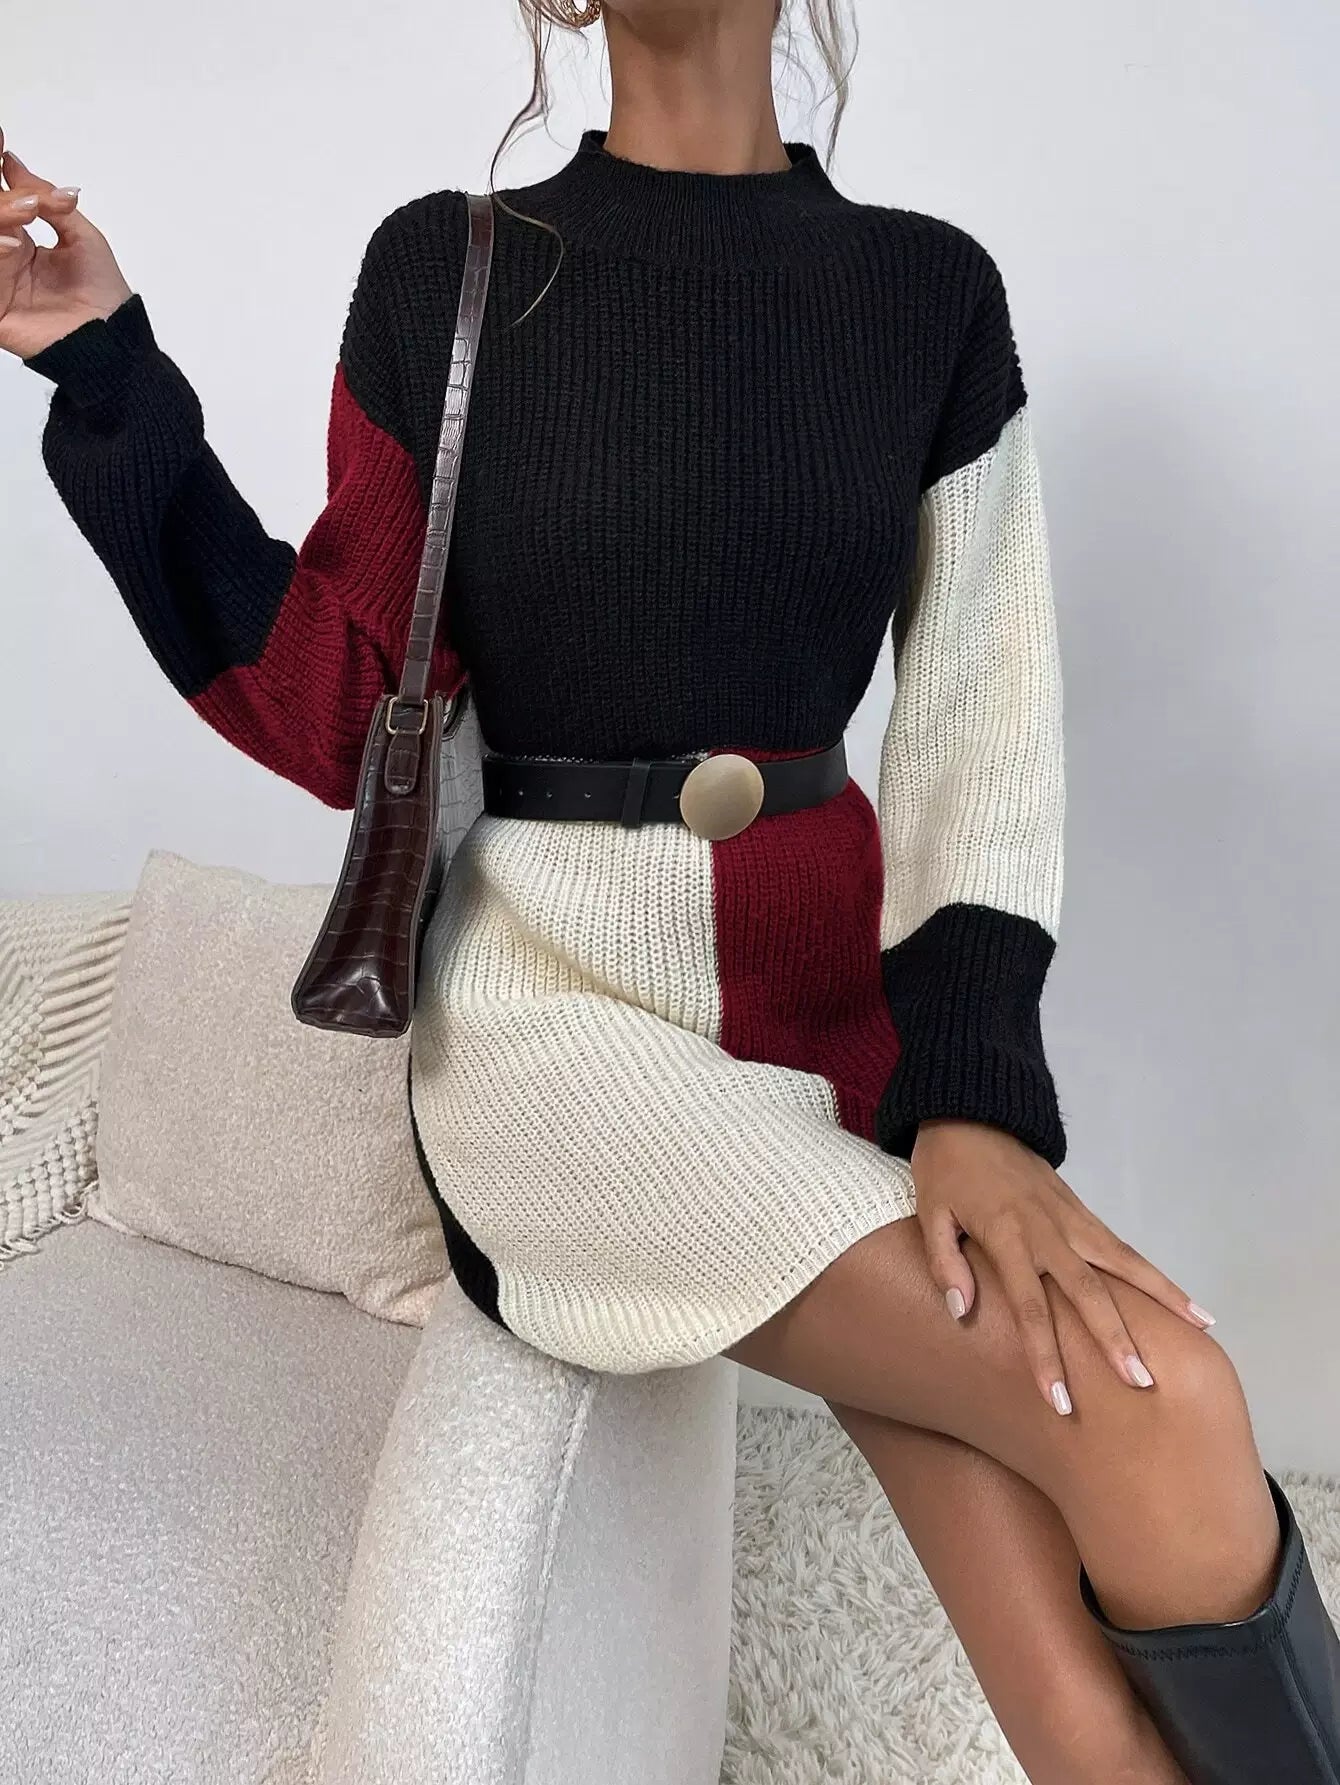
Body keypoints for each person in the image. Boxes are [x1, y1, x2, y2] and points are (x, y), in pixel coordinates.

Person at [4, 4, 1337, 1781]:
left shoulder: (928, 297)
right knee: (1170, 1412)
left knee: (1072, 1654)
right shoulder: (445, 274)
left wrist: (975, 1102)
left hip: (827, 1032)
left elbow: (983, 734)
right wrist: (105, 368)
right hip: (547, 1042)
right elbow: (334, 700)